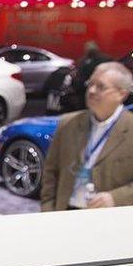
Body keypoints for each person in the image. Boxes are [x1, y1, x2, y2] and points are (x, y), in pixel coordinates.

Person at [41, 61, 133, 211]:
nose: (91, 90)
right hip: (66, 212)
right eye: (90, 84)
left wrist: (117, 198)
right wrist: (48, 211)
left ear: (121, 94)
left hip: (110, 219)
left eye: (101, 87)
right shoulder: (68, 124)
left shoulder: (130, 128)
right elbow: (50, 172)